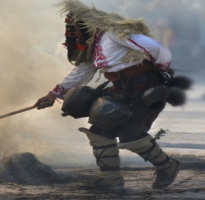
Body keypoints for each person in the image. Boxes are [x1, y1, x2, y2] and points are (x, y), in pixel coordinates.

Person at [35, 0, 181, 190]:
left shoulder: (114, 32)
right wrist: (53, 95)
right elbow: (81, 72)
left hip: (144, 88)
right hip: (120, 89)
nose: (74, 33)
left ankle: (168, 167)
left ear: (88, 23)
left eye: (77, 27)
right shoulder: (93, 47)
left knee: (131, 135)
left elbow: (157, 49)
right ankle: (112, 183)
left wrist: (162, 74)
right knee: (100, 133)